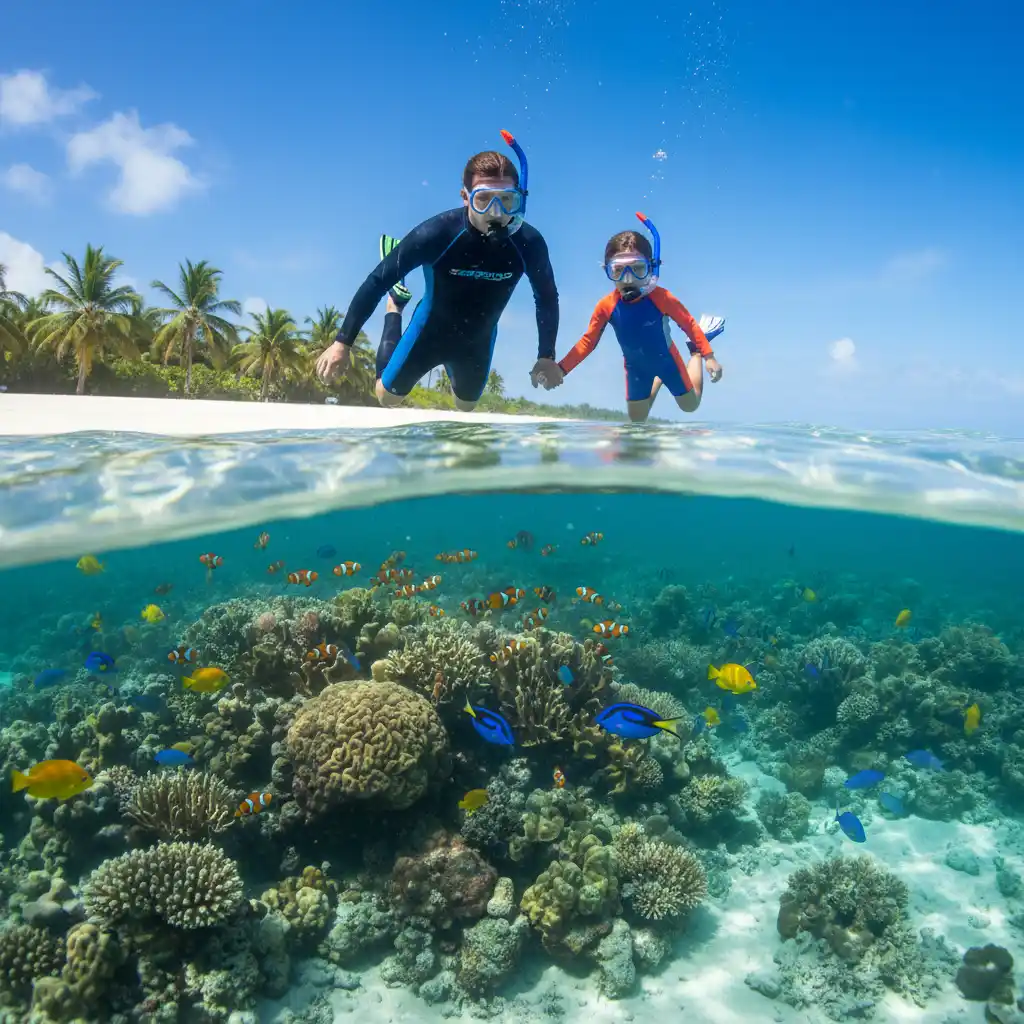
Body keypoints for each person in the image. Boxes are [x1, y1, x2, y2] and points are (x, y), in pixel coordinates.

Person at [315, 131, 563, 410]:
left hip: (477, 340)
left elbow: (546, 297)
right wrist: (342, 343)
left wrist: (546, 355)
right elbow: (376, 281)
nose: (496, 212)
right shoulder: (436, 234)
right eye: (484, 200)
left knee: (466, 407)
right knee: (387, 399)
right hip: (429, 330)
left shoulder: (528, 243)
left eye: (506, 200)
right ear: (465, 197)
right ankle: (395, 307)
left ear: (519, 199)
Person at [545, 212, 725, 423]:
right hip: (635, 368)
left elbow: (689, 324)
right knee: (637, 421)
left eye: (638, 269)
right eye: (618, 270)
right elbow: (588, 342)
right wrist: (561, 369)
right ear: (607, 270)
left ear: (652, 268)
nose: (628, 279)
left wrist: (708, 356)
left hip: (667, 361)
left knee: (690, 406)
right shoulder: (606, 306)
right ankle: (656, 380)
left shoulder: (662, 298)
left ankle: (693, 353)